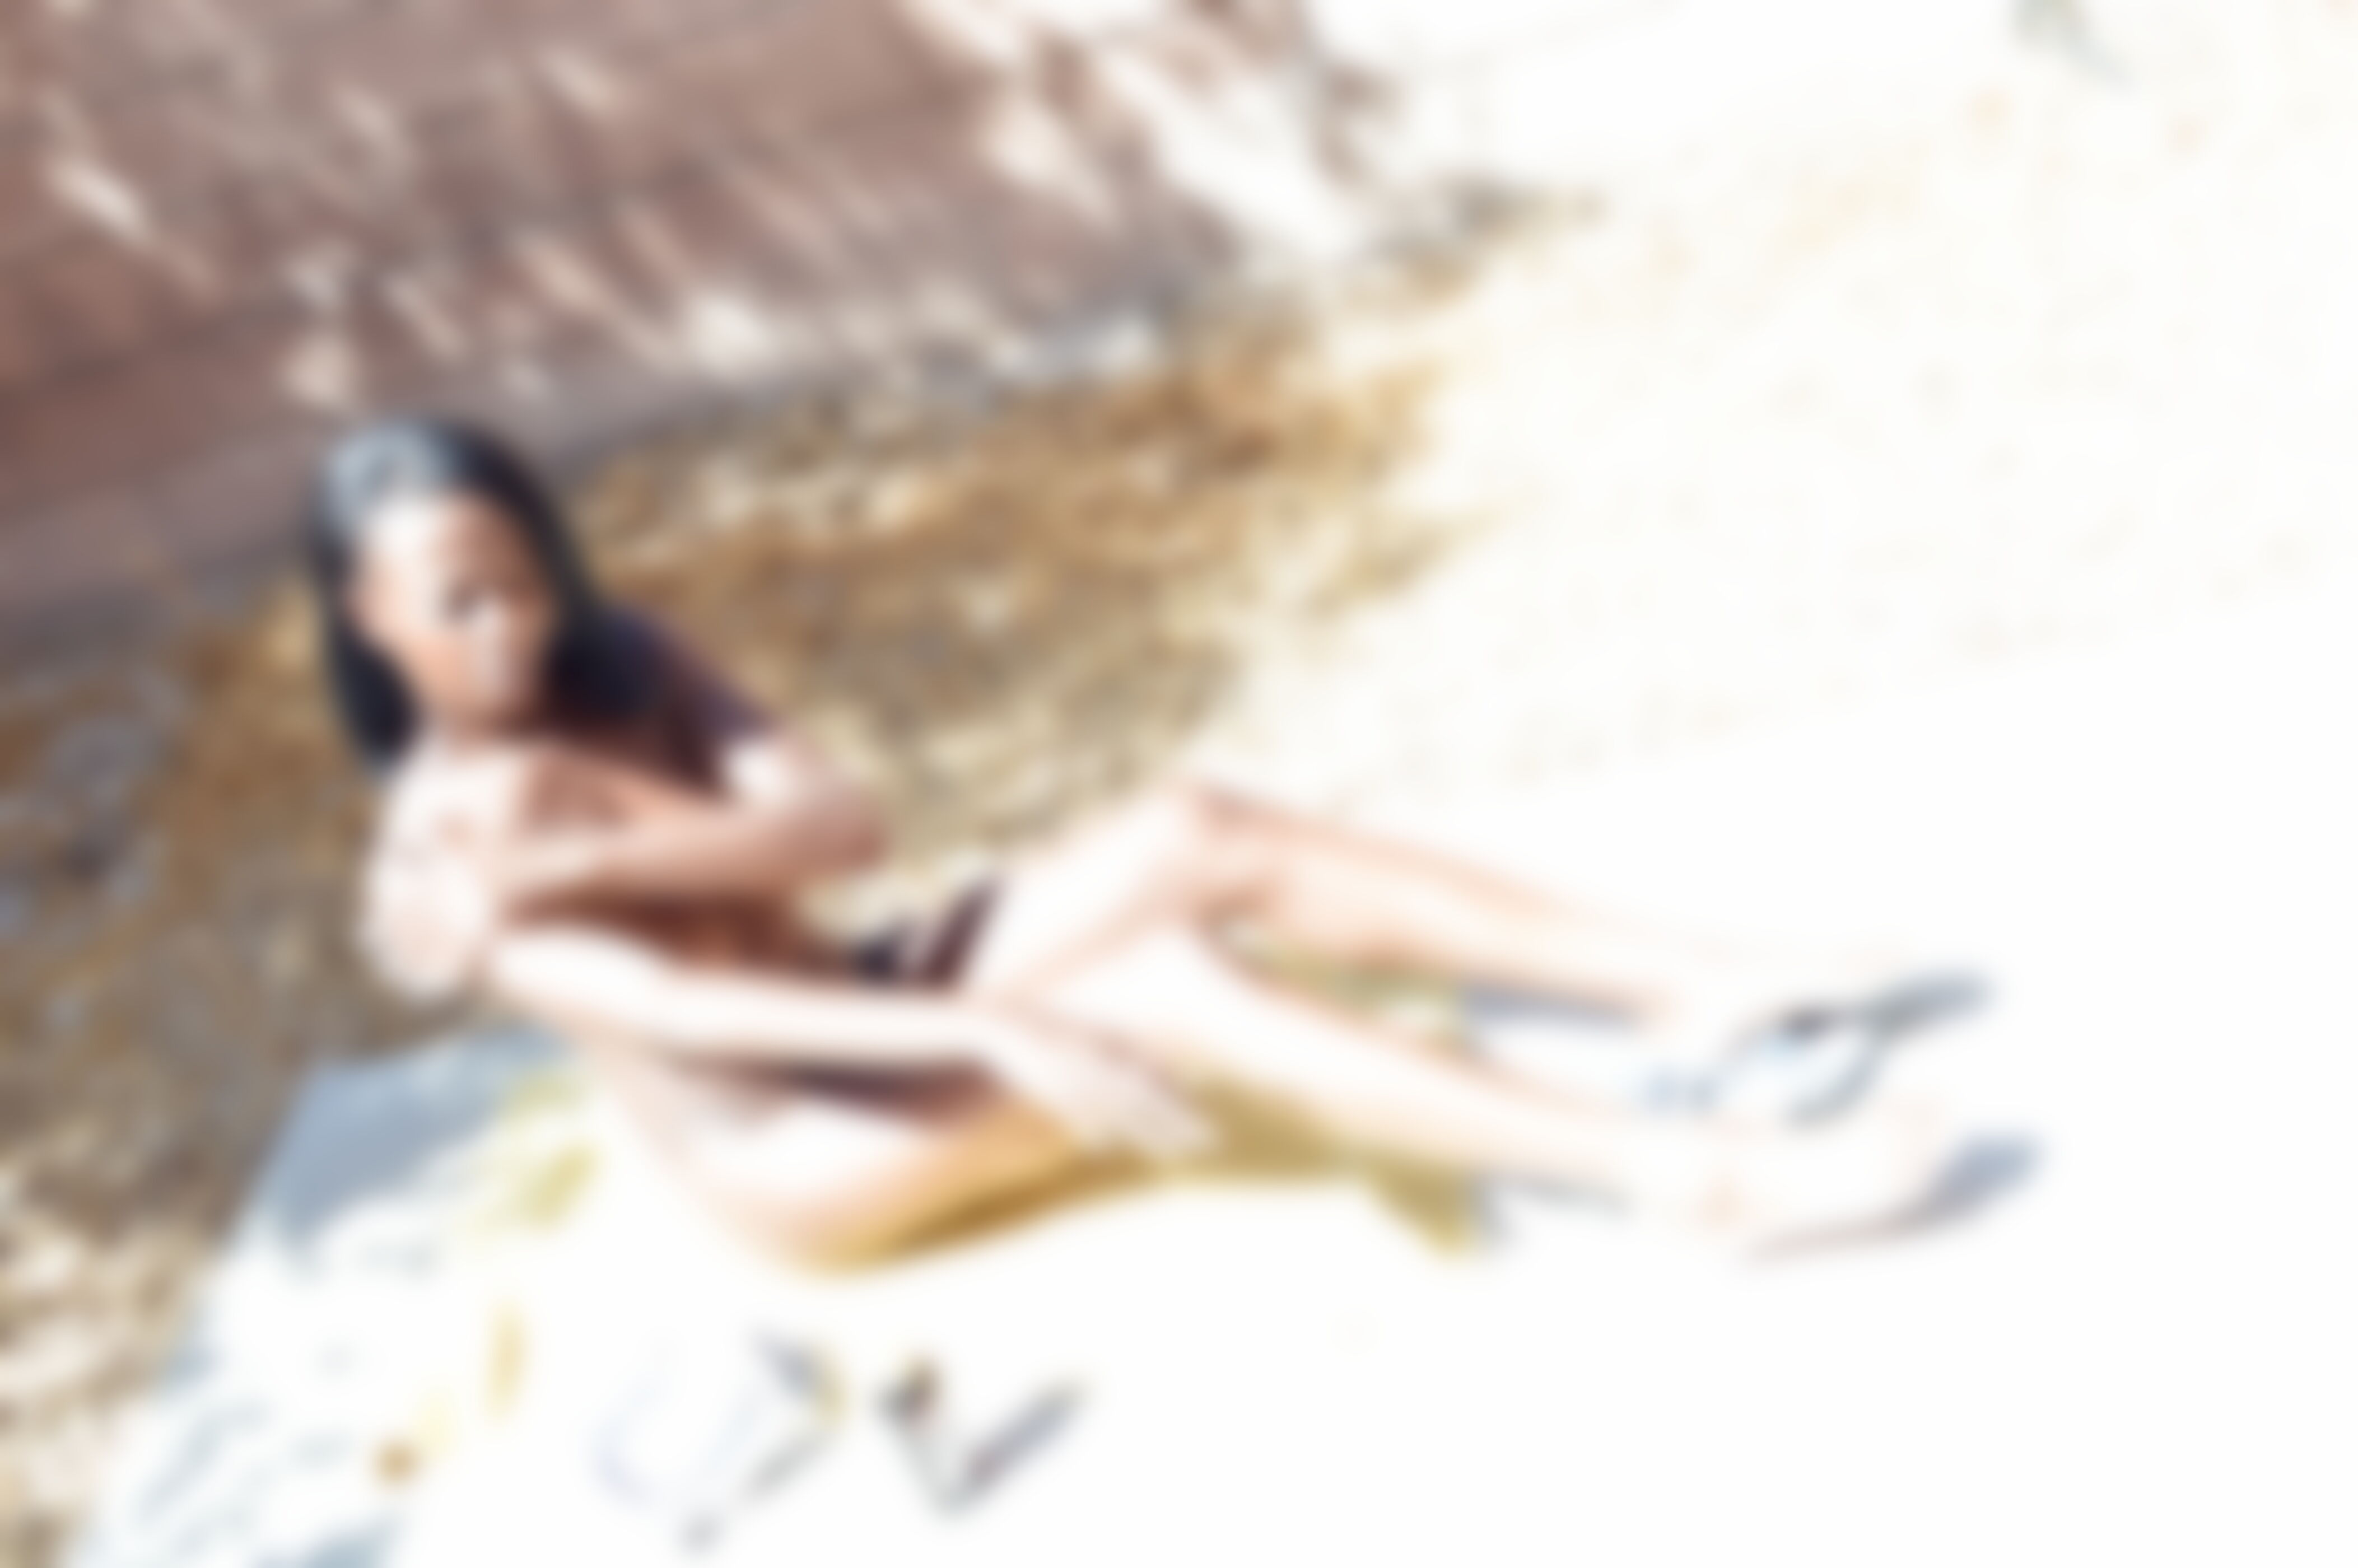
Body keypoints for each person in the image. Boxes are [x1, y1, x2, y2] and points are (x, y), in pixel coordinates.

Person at [311, 417, 1965, 1267]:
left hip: (874, 998)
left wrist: (576, 864)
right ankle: (1693, 1179)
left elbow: (840, 827)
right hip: (802, 1146)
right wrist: (983, 1024)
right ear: (367, 617)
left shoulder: (629, 657)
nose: (507, 625)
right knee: (1166, 984)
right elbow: (690, 1009)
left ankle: (1680, 981)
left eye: (519, 577)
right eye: (454, 603)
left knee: (1193, 827)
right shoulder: (440, 864)